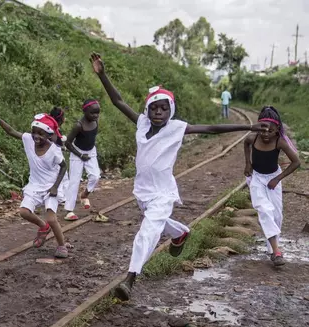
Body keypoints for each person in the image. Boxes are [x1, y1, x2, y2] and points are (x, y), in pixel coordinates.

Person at [89, 53, 268, 300]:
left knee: (147, 232)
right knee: (155, 222)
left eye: (164, 108)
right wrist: (102, 75)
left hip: (163, 192)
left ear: (170, 110)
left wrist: (248, 127)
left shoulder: (176, 128)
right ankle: (180, 233)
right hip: (142, 190)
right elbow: (118, 101)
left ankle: (130, 279)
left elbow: (211, 128)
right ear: (148, 110)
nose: (159, 112)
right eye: (154, 108)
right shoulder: (141, 123)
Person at [0, 104, 70, 258]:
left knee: (52, 218)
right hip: (35, 185)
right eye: (34, 133)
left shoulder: (54, 150)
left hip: (51, 186)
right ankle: (42, 227)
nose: (36, 137)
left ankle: (61, 245)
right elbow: (10, 131)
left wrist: (55, 187)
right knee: (23, 212)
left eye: (41, 134)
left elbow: (64, 167)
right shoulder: (28, 140)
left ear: (49, 135)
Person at [244, 106, 301, 267]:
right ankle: (277, 251)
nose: (266, 134)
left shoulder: (279, 141)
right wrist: (248, 163)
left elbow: (296, 162)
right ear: (258, 128)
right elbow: (245, 143)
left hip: (273, 178)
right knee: (264, 210)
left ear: (277, 130)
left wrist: (277, 178)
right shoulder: (253, 138)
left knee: (276, 215)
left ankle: (271, 249)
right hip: (257, 179)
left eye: (270, 131)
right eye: (263, 130)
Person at [63, 99, 102, 221]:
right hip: (77, 153)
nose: (95, 115)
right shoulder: (78, 126)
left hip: (90, 152)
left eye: (97, 113)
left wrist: (88, 152)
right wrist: (80, 155)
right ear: (85, 111)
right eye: (92, 113)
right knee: (74, 181)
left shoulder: (96, 121)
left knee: (96, 176)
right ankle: (69, 211)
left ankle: (84, 195)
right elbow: (68, 143)